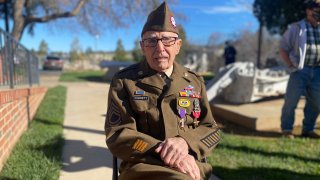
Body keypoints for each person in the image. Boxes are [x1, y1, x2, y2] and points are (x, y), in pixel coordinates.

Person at [104, 2, 220, 180]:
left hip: (190, 162)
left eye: (167, 40)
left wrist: (185, 142)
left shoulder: (194, 81)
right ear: (143, 47)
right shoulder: (125, 81)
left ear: (178, 45)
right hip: (143, 164)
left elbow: (211, 129)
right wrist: (168, 153)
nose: (160, 48)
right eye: (151, 41)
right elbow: (118, 134)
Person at [279, 0, 320, 139]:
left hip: (318, 71)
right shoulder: (296, 28)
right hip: (300, 70)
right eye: (317, 9)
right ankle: (287, 129)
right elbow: (283, 47)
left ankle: (308, 129)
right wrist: (291, 65)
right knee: (291, 101)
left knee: (316, 102)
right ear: (309, 11)